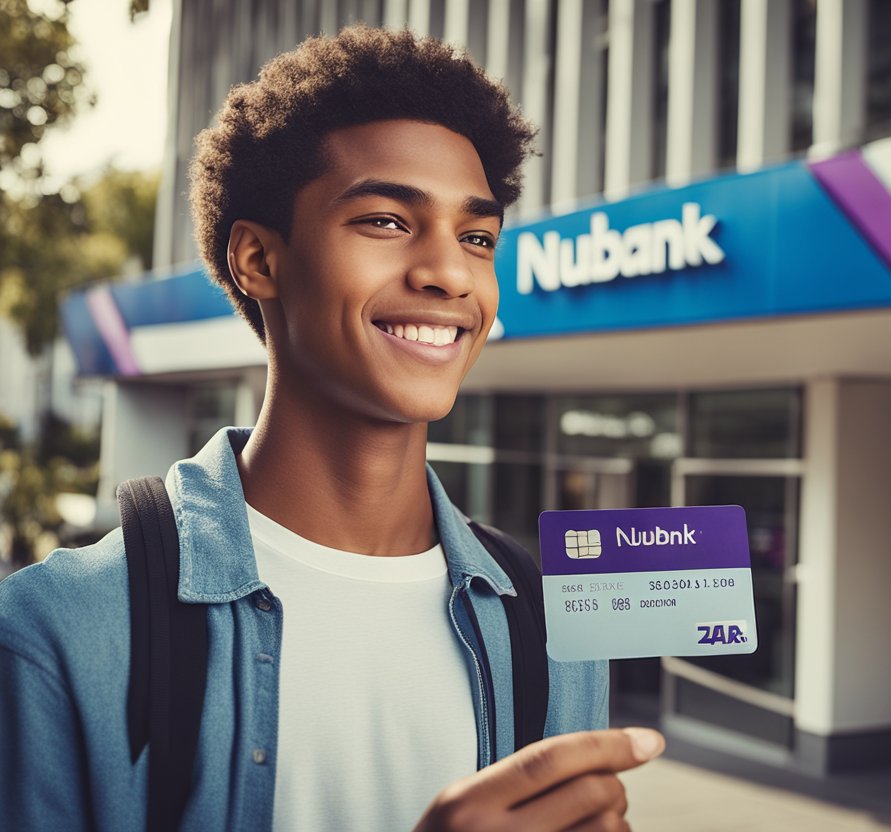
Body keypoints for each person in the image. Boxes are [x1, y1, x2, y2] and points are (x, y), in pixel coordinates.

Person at [0, 25, 663, 831]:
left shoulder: (549, 627)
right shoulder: (60, 630)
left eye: (477, 237)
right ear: (259, 260)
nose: (449, 272)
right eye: (385, 221)